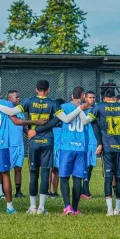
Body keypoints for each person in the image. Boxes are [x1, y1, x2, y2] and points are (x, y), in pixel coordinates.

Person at [0, 80, 87, 214]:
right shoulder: (53, 103)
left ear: (36, 89)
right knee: (45, 174)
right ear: (48, 89)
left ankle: (32, 207)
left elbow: (10, 110)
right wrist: (79, 109)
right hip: (47, 141)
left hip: (34, 141)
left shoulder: (28, 101)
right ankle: (41, 208)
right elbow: (65, 119)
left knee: (33, 173)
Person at [0, 88, 43, 214]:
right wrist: (35, 122)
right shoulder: (6, 104)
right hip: (3, 145)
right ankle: (9, 206)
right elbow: (17, 121)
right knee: (5, 174)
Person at [88, 89, 120, 216]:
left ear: (104, 98)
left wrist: (80, 109)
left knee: (108, 178)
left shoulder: (99, 106)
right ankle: (117, 209)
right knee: (119, 177)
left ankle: (109, 209)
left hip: (107, 147)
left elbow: (87, 121)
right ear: (114, 98)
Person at [53, 87, 93, 215]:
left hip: (66, 147)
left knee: (64, 177)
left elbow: (61, 120)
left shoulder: (63, 106)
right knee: (77, 178)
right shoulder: (88, 108)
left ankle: (67, 206)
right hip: (81, 148)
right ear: (83, 96)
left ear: (71, 96)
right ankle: (75, 208)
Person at [7, 90, 26, 198]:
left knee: (18, 168)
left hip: (20, 144)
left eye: (19, 97)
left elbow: (23, 126)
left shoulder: (20, 111)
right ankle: (5, 190)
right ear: (9, 99)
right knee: (6, 169)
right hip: (10, 144)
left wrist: (29, 133)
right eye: (16, 97)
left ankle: (18, 191)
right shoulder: (7, 111)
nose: (18, 99)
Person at [48, 98, 66, 199]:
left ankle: (54, 192)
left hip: (60, 146)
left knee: (56, 169)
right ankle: (48, 191)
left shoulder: (64, 118)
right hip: (52, 145)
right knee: (51, 169)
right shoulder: (52, 116)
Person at [82, 91, 98, 199]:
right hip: (85, 142)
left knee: (90, 167)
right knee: (85, 166)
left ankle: (84, 190)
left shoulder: (97, 108)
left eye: (93, 97)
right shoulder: (81, 109)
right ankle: (85, 191)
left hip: (94, 142)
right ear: (85, 98)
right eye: (90, 97)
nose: (92, 99)